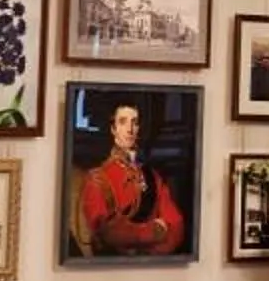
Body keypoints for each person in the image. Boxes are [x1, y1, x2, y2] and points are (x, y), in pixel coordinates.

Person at [71, 101, 186, 256]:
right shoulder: (98, 179)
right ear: (113, 129)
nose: (130, 130)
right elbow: (110, 233)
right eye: (123, 122)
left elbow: (176, 225)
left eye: (135, 123)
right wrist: (155, 231)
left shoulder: (152, 176)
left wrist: (145, 245)